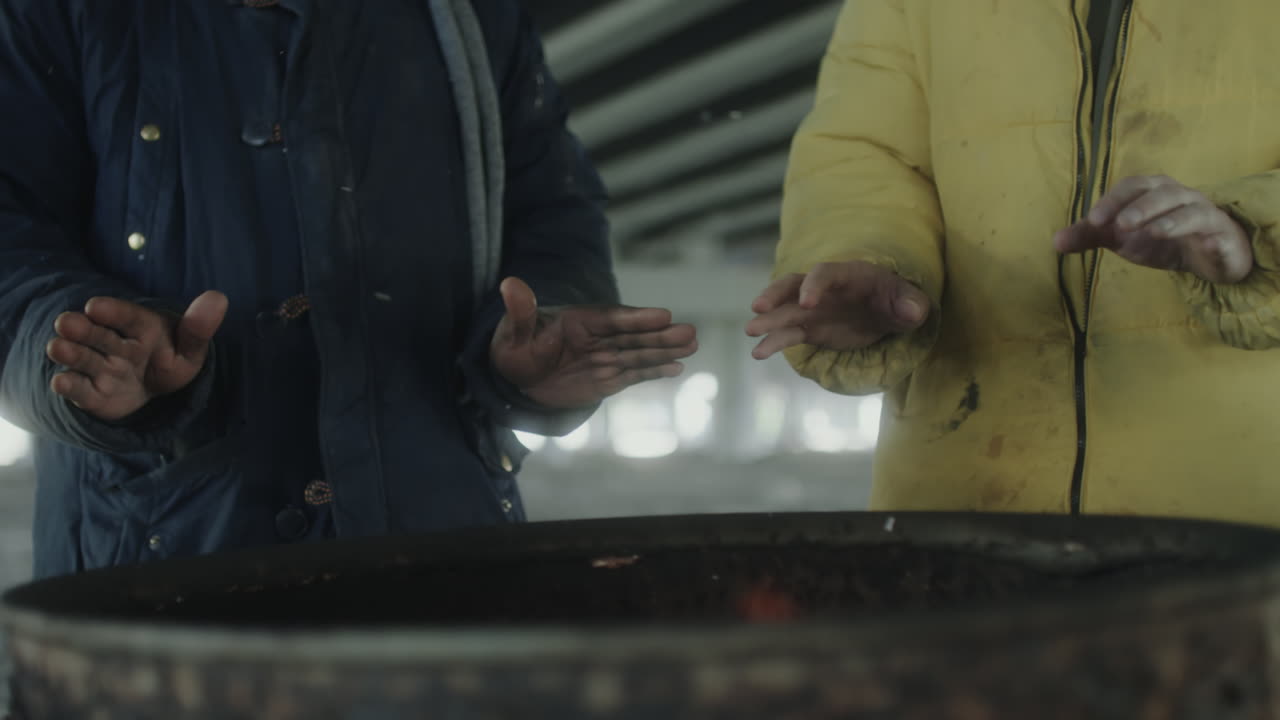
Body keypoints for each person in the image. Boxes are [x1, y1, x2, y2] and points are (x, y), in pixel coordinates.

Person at [0, 0, 697, 580]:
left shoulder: (469, 16)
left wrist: (532, 341)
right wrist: (79, 347)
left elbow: (552, 214)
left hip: (438, 572)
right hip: (159, 573)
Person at [748, 0, 1280, 525]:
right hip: (965, 490)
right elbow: (866, 152)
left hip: (1241, 499)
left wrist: (1254, 234)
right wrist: (870, 257)